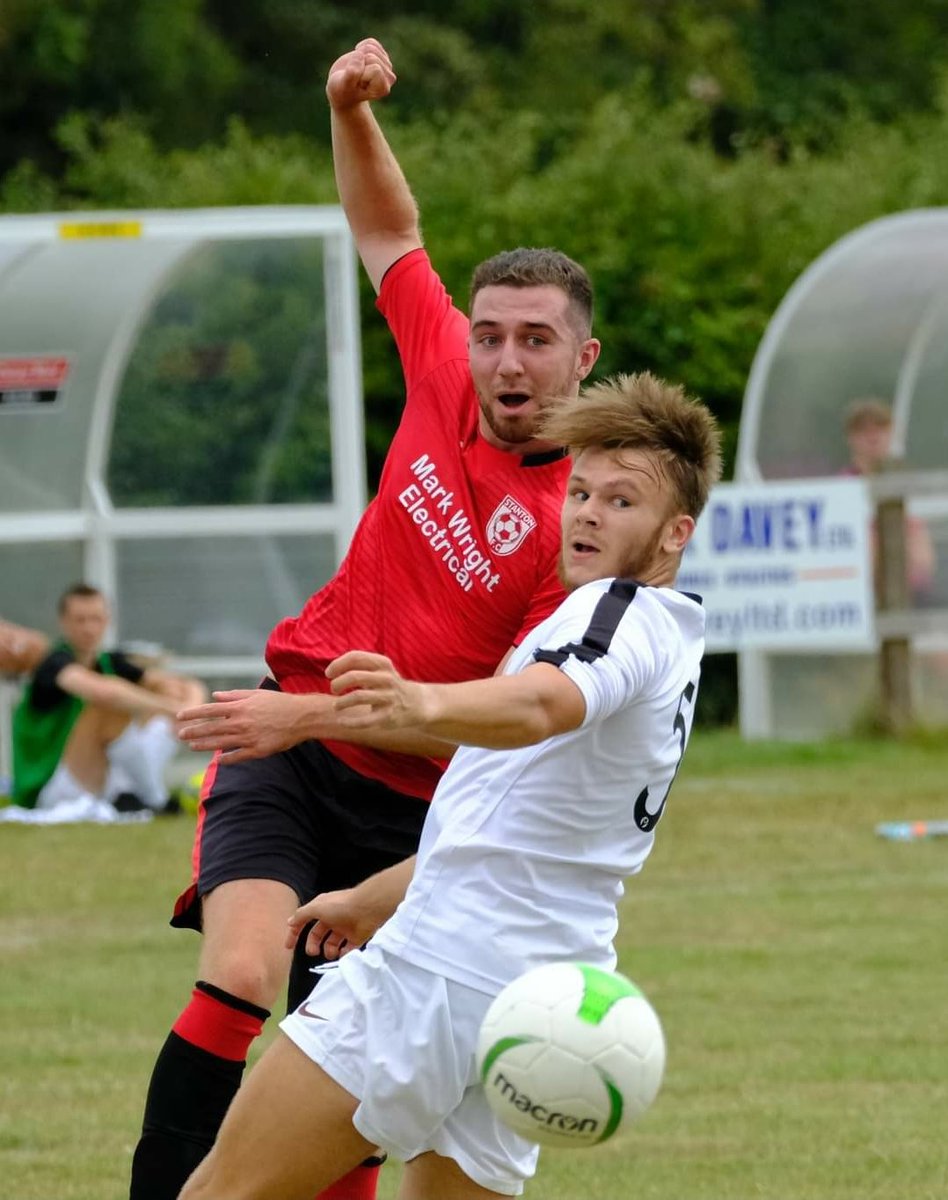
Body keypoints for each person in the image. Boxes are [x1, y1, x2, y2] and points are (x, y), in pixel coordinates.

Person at [129, 38, 600, 1200]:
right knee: (244, 969)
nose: (505, 359)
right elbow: (391, 234)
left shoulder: (578, 529)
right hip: (290, 753)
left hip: (418, 819)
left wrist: (310, 717)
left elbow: (501, 733)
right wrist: (346, 109)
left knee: (348, 1070)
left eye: (536, 339)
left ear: (584, 358)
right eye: (491, 333)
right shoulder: (442, 371)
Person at [178, 370, 723, 1200]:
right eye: (580, 491)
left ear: (676, 531)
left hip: (438, 977)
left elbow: (541, 705)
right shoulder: (674, 640)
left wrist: (421, 694)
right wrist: (379, 892)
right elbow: (520, 814)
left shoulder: (613, 613)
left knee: (221, 1192)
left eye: (622, 501)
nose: (587, 512)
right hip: (539, 1006)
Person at [9, 584, 206, 814]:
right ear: (63, 622)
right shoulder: (53, 663)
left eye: (96, 619)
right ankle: (155, 798)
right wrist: (173, 709)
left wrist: (187, 709)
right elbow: (102, 692)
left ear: (107, 620)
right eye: (80, 620)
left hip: (94, 776)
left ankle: (138, 793)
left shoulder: (109, 661)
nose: (89, 628)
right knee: (110, 705)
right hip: (49, 786)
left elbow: (186, 685)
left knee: (166, 698)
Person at [841, 398, 936, 604]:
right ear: (851, 438)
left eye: (880, 428)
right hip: (860, 586)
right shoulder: (844, 487)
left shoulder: (905, 480)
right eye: (864, 431)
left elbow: (921, 548)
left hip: (910, 586)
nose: (873, 437)